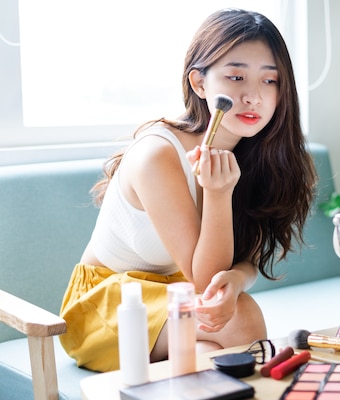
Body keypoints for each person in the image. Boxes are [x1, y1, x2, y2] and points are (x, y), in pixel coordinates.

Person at [59, 8, 317, 372]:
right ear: (199, 83)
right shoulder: (158, 155)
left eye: (269, 81)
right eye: (236, 76)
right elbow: (203, 279)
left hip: (181, 300)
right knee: (240, 320)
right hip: (110, 306)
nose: (253, 96)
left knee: (208, 355)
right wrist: (217, 193)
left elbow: (245, 263)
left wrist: (237, 279)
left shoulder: (256, 155)